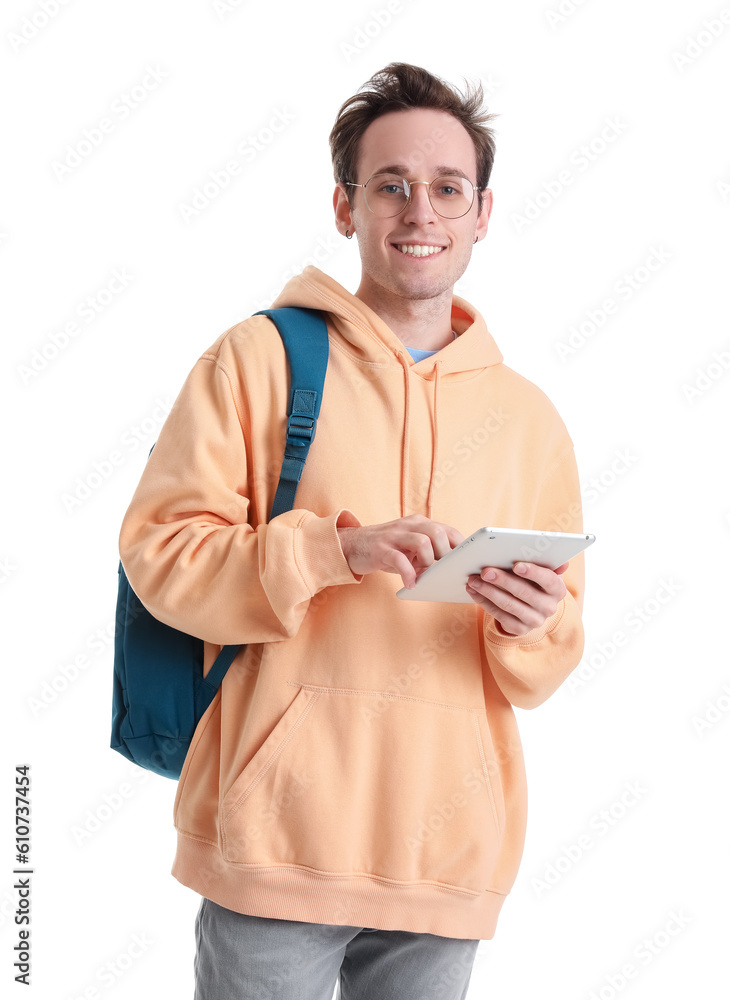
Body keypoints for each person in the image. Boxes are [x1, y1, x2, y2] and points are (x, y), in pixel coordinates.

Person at [118, 62, 587, 1000]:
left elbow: (552, 654)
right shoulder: (261, 359)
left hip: (444, 859)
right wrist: (332, 552)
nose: (422, 212)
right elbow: (160, 551)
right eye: (392, 186)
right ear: (346, 207)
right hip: (274, 842)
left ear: (482, 213)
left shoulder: (529, 417)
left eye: (448, 189)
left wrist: (531, 623)